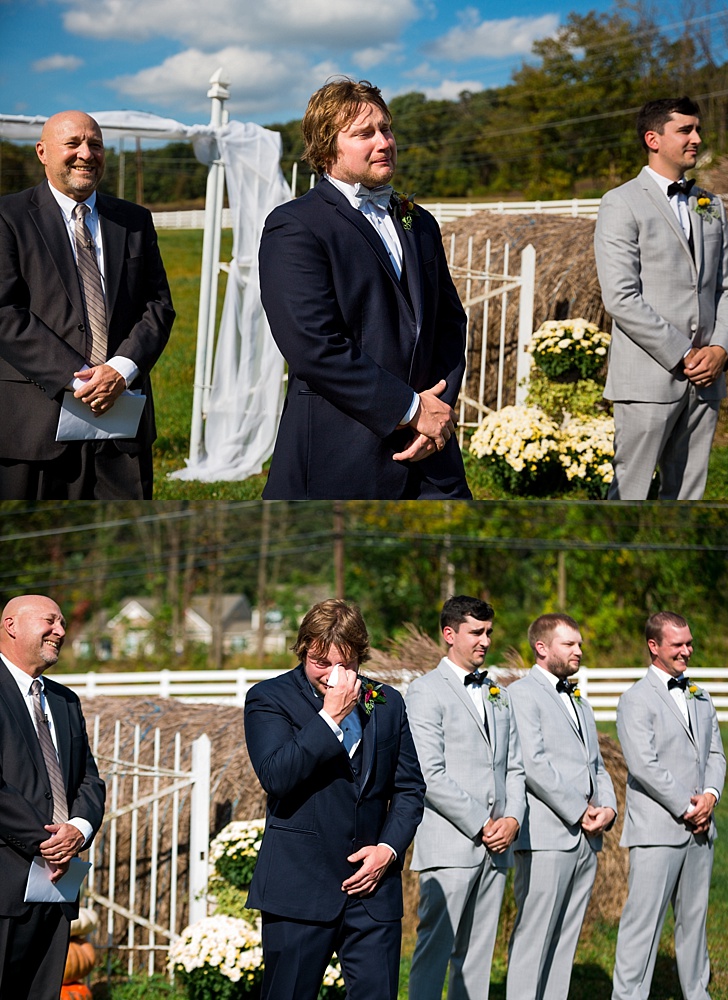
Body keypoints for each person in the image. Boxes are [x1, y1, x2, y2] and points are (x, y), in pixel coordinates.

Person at [259, 78, 470, 500]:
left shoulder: (417, 219)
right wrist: (410, 410)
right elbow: (314, 345)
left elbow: (449, 322)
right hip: (342, 450)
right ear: (325, 149)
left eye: (386, 129)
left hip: (433, 457)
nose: (384, 142)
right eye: (364, 133)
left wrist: (438, 411)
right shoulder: (295, 226)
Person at [243, 599, 425, 1000]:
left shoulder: (387, 702)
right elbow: (277, 776)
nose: (334, 675)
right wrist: (330, 718)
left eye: (346, 664)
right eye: (321, 662)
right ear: (303, 649)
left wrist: (388, 850)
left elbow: (410, 789)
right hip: (299, 890)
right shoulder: (268, 698)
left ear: (361, 656)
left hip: (374, 892)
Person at [0, 111, 174, 499]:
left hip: (122, 425)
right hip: (34, 426)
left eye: (95, 144)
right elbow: (5, 313)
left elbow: (158, 306)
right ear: (42, 152)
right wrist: (79, 377)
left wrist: (119, 371)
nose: (86, 154)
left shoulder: (134, 220)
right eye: (73, 144)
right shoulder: (7, 217)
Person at [594, 96, 728, 500]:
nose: (697, 138)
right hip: (648, 380)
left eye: (697, 129)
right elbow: (621, 297)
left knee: (687, 496)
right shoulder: (620, 202)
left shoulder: (712, 205)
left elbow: (726, 287)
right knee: (631, 494)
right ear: (653, 139)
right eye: (685, 130)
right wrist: (684, 353)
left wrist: (719, 349)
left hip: (706, 380)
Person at [406, 596, 527, 1000]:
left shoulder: (498, 692)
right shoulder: (424, 692)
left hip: (497, 846)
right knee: (434, 951)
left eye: (489, 632)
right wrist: (483, 823)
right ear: (449, 633)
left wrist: (512, 819)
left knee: (477, 954)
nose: (486, 641)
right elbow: (430, 773)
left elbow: (515, 766)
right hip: (451, 844)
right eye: (477, 632)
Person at [611, 612, 726, 1000]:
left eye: (689, 643)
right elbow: (644, 765)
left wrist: (709, 796)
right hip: (658, 830)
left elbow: (716, 754)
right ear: (654, 646)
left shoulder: (701, 696)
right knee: (642, 925)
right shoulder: (635, 700)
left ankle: (697, 993)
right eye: (678, 645)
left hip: (701, 828)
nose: (687, 651)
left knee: (694, 923)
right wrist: (687, 807)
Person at [506, 613, 617, 1000]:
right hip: (547, 837)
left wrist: (608, 808)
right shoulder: (521, 694)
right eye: (569, 644)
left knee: (566, 939)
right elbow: (533, 763)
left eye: (580, 644)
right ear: (542, 648)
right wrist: (579, 810)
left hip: (587, 839)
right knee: (534, 937)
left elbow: (596, 764)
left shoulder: (579, 702)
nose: (578, 650)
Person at [0, 596, 105, 1000]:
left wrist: (77, 830)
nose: (61, 631)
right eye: (50, 621)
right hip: (5, 883)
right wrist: (47, 841)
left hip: (56, 891)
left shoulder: (64, 700)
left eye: (62, 622)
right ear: (11, 625)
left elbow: (89, 781)